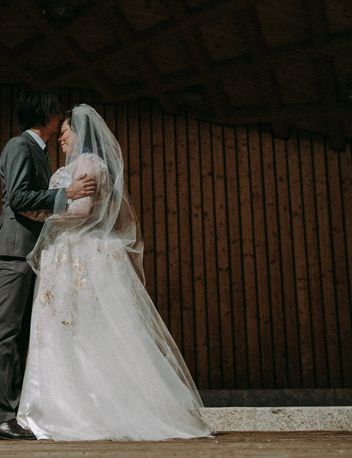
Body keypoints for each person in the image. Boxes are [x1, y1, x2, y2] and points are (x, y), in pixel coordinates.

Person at [16, 104, 213, 440]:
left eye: (64, 135)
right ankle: (67, 403)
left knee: (81, 330)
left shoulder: (88, 163)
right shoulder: (86, 164)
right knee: (73, 330)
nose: (60, 142)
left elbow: (83, 210)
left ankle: (79, 409)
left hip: (79, 254)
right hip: (75, 254)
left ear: (80, 133)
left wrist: (42, 215)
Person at [0, 91, 97, 440]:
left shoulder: (41, 153)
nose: (60, 118)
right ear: (45, 114)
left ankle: (13, 414)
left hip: (36, 254)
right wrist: (68, 195)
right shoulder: (20, 146)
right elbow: (18, 198)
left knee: (21, 337)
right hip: (17, 250)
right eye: (57, 112)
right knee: (6, 331)